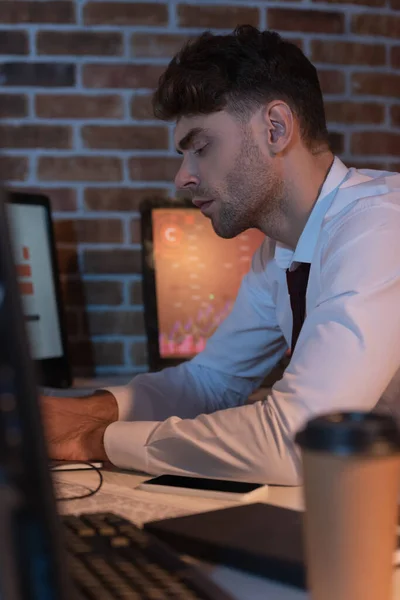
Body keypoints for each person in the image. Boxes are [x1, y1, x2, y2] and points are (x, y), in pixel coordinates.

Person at [42, 26, 400, 485]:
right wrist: (79, 412)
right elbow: (211, 382)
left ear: (275, 128)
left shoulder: (378, 225)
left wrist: (96, 439)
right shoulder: (278, 252)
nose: (183, 177)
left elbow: (298, 442)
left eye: (201, 147)